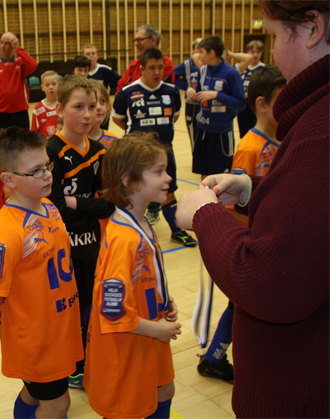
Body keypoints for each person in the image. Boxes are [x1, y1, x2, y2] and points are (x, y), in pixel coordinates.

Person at [176, 1, 329, 416]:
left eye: (275, 36)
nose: (273, 51)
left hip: (298, 390)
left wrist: (205, 216)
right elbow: (311, 210)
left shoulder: (321, 130)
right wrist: (252, 190)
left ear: (312, 28)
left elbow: (270, 283)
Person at [0, 127, 83, 419]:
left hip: (59, 327)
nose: (47, 175)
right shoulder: (6, 232)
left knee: (34, 394)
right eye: (35, 171)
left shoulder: (48, 206)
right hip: (36, 338)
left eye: (47, 165)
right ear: (8, 179)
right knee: (58, 404)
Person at [196, 65, 287, 384]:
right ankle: (214, 358)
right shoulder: (249, 146)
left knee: (243, 305)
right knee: (241, 305)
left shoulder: (283, 139)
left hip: (272, 235)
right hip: (254, 239)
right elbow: (234, 200)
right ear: (262, 104)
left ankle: (214, 357)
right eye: (283, 98)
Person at [84, 132, 182, 419]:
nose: (168, 178)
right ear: (129, 180)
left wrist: (163, 299)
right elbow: (112, 312)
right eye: (159, 172)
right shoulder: (124, 239)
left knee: (164, 390)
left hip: (148, 328)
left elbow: (141, 277)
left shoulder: (140, 222)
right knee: (129, 407)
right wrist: (159, 330)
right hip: (130, 341)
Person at [47, 75, 115, 388]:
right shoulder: (50, 152)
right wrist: (84, 205)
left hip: (92, 243)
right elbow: (56, 209)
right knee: (68, 308)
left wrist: (76, 202)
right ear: (59, 109)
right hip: (62, 248)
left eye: (92, 106)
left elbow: (110, 204)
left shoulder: (99, 151)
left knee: (90, 302)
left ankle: (87, 358)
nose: (88, 114)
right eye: (78, 107)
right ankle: (72, 363)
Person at [113, 47, 197, 247]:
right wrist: (138, 138)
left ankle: (177, 231)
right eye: (152, 68)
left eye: (160, 67)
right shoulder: (127, 92)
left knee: (168, 192)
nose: (157, 72)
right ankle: (131, 230)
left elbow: (173, 117)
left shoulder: (172, 91)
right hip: (137, 156)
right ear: (142, 69)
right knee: (133, 191)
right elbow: (118, 119)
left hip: (165, 153)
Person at [187, 36, 246, 180]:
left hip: (221, 133)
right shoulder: (202, 71)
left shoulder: (231, 73)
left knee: (221, 176)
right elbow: (199, 95)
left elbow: (241, 103)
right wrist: (190, 92)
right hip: (202, 130)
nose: (199, 55)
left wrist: (217, 95)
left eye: (202, 52)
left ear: (211, 53)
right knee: (204, 174)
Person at [0, 32, 37, 129]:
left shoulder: (20, 62)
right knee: (3, 139)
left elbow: (33, 65)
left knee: (24, 138)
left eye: (7, 43)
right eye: (1, 43)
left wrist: (18, 48)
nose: (3, 46)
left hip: (21, 112)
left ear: (13, 45)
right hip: (1, 113)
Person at [116, 24, 174, 93]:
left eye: (139, 40)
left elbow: (146, 86)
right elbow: (120, 86)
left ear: (153, 40)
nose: (136, 44)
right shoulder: (134, 64)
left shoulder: (165, 62)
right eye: (135, 40)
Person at [173, 38, 202, 151]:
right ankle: (196, 158)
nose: (200, 51)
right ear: (193, 50)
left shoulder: (210, 65)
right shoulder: (187, 64)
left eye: (202, 49)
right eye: (198, 48)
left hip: (206, 105)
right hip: (192, 104)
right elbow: (172, 76)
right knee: (194, 136)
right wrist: (186, 87)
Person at [83, 43, 120, 130]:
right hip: (86, 109)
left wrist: (115, 101)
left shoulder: (105, 70)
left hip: (102, 108)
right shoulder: (80, 72)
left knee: (102, 133)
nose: (91, 56)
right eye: (88, 54)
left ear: (97, 56)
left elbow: (122, 83)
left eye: (93, 54)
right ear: (83, 56)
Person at [234, 40, 266, 138]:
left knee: (255, 135)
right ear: (247, 52)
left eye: (258, 52)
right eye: (253, 51)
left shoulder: (263, 69)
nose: (255, 54)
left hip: (254, 107)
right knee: (243, 135)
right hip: (242, 107)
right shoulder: (241, 68)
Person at [86, 79, 117, 149]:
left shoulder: (113, 141)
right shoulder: (73, 141)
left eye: (102, 101)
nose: (99, 107)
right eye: (92, 104)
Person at [31, 70, 60, 138]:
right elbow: (34, 134)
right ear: (42, 87)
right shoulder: (37, 109)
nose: (51, 87)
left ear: (59, 85)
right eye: (47, 85)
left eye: (54, 84)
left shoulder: (64, 104)